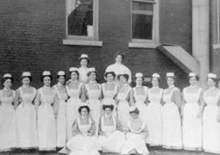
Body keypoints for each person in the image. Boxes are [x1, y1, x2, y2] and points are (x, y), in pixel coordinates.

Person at [35, 71, 58, 151]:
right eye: (46, 80)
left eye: (49, 80)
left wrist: (55, 112)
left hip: (50, 110)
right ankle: (43, 146)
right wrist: (36, 113)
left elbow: (55, 103)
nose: (47, 81)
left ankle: (50, 146)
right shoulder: (39, 91)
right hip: (42, 110)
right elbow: (36, 102)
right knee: (43, 127)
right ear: (43, 81)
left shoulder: (54, 91)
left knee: (50, 127)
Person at [15, 72, 38, 149]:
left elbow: (35, 101)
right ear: (22, 81)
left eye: (28, 80)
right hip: (22, 109)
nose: (26, 82)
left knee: (30, 125)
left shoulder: (34, 90)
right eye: (25, 80)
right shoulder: (19, 90)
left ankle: (30, 144)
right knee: (23, 126)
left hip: (31, 109)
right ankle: (22, 144)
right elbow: (16, 101)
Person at [182, 72, 203, 150]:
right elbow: (183, 102)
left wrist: (200, 111)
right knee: (187, 127)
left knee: (195, 127)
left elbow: (202, 102)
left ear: (197, 81)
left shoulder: (200, 90)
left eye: (194, 80)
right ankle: (188, 145)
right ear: (189, 80)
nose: (192, 81)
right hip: (187, 109)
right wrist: (182, 111)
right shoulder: (185, 89)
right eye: (191, 80)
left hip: (195, 109)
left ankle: (196, 145)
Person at [162, 72, 182, 149]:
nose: (169, 82)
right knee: (167, 125)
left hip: (173, 109)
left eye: (171, 80)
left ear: (174, 81)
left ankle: (174, 143)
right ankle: (167, 143)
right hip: (166, 109)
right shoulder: (165, 90)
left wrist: (178, 111)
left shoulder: (176, 90)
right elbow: (163, 101)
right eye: (168, 80)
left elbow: (179, 103)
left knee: (173, 125)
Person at [201, 73, 220, 154]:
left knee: (215, 129)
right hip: (207, 111)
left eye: (211, 82)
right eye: (208, 82)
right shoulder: (205, 92)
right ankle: (208, 147)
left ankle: (216, 147)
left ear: (215, 83)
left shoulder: (218, 92)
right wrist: (200, 112)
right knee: (207, 128)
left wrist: (219, 114)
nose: (209, 83)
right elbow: (203, 103)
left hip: (215, 110)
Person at [0, 73, 17, 152]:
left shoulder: (14, 92)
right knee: (3, 127)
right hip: (2, 110)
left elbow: (16, 103)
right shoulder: (0, 92)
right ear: (3, 83)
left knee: (10, 127)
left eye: (10, 82)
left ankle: (10, 145)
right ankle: (2, 145)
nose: (9, 84)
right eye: (7, 82)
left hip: (11, 111)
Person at [66, 67, 84, 140]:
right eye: (72, 75)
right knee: (70, 120)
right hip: (70, 103)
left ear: (77, 76)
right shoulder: (67, 84)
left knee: (78, 119)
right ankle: (70, 138)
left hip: (78, 102)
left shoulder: (81, 84)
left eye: (75, 75)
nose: (74, 76)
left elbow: (82, 95)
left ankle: (78, 139)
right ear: (70, 75)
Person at [146, 73, 163, 146]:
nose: (154, 82)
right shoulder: (148, 90)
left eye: (156, 81)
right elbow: (146, 100)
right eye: (153, 80)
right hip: (150, 108)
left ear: (158, 81)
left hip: (158, 108)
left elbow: (162, 101)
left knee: (158, 124)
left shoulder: (162, 90)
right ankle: (150, 141)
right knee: (150, 124)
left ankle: (158, 141)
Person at [84, 67, 101, 135]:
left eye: (94, 75)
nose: (92, 76)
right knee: (90, 119)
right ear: (88, 76)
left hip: (97, 104)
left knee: (97, 119)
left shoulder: (99, 85)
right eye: (91, 75)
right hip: (90, 103)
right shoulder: (85, 85)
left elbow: (100, 97)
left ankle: (96, 135)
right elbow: (84, 97)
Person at [53, 71, 68, 148]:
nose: (62, 80)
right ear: (57, 79)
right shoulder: (54, 88)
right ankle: (59, 144)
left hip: (65, 106)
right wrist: (55, 111)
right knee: (59, 124)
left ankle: (64, 143)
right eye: (60, 78)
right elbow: (54, 99)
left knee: (65, 124)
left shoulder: (65, 87)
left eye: (63, 78)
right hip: (58, 106)